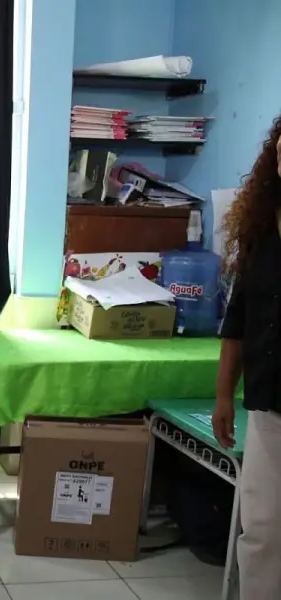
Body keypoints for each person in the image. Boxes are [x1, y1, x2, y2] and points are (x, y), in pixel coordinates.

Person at [213, 114, 281, 600]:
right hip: (269, 406)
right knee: (261, 530)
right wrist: (223, 396)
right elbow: (236, 323)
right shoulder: (260, 232)